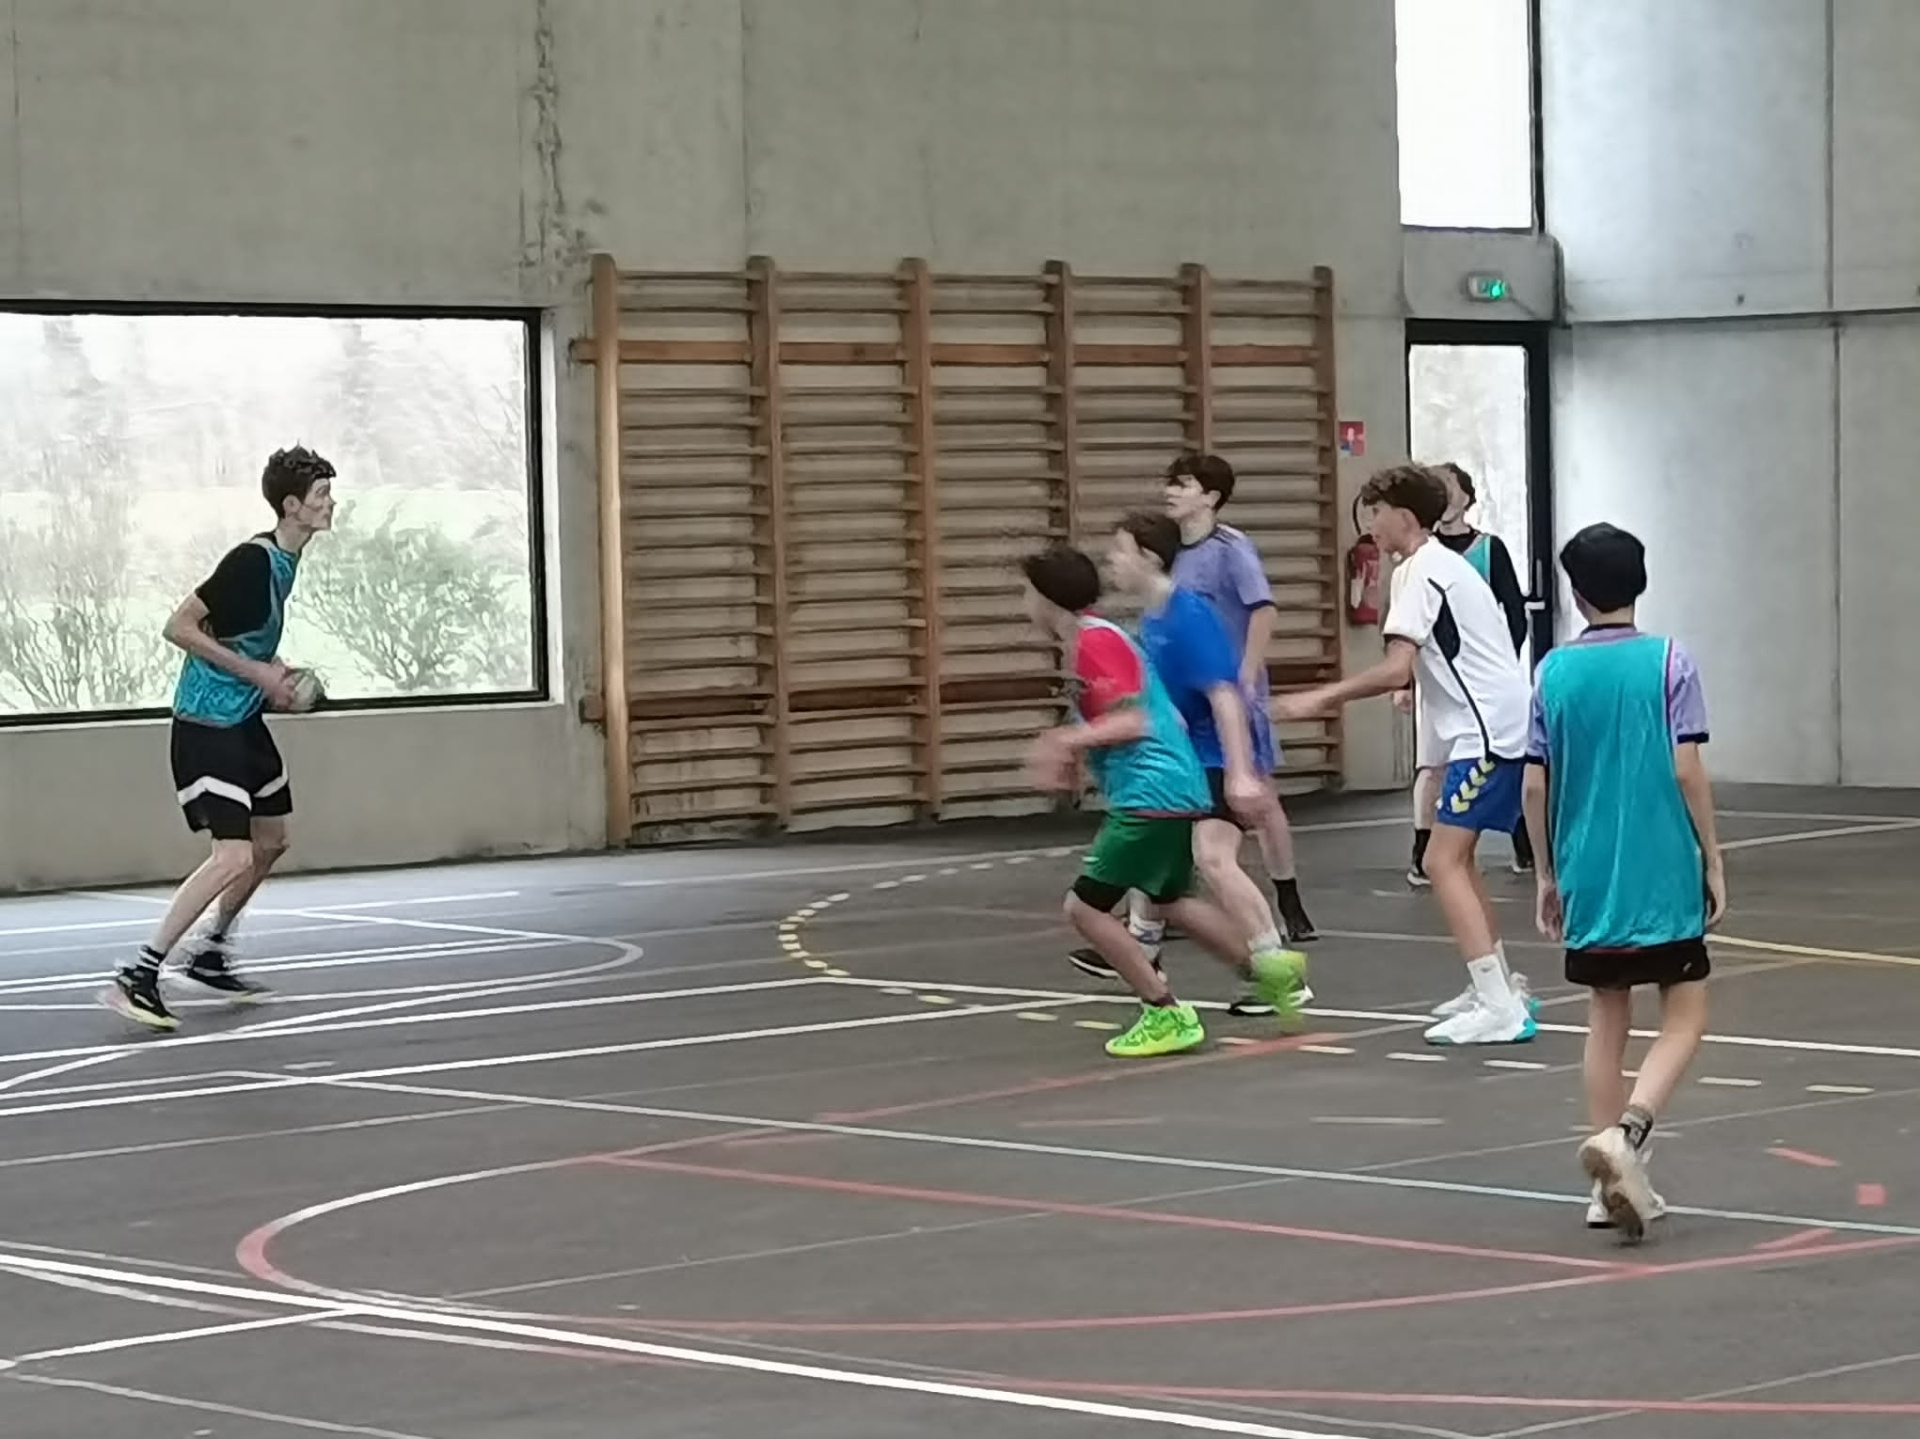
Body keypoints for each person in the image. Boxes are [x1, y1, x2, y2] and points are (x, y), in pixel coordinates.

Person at [1277, 464, 1535, 1045]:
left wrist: (1321, 697)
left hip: (1486, 732)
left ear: (1405, 516)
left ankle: (1500, 1007)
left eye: (1376, 511)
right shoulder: (1444, 565)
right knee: (1459, 860)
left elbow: (1397, 668)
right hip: (1494, 724)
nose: (1369, 523)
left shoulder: (1419, 571)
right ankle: (1497, 987)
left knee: (1442, 862)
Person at [1021, 543, 1304, 1058]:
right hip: (1174, 786)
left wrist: (1065, 741)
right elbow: (1163, 716)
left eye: (1027, 592)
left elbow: (1136, 721)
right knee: (1170, 901)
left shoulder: (1094, 641)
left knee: (1084, 909)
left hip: (1151, 793)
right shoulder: (1099, 640)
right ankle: (1268, 973)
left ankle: (1164, 1011)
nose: (1025, 603)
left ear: (1046, 597)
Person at [1523, 523, 1723, 1240]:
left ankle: (1603, 1185)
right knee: (1685, 1013)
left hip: (1588, 870)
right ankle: (1628, 1135)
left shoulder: (1552, 672)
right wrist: (1712, 856)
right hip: (1661, 867)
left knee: (1606, 1017)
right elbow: (1686, 769)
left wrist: (1546, 872)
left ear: (1576, 594)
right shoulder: (1670, 662)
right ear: (1640, 583)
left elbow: (1534, 785)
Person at [106, 446, 337, 1031]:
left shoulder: (286, 561)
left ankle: (209, 954)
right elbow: (179, 626)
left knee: (271, 840)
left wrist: (274, 670)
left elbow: (236, 635)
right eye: (320, 496)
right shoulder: (250, 561)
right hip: (206, 725)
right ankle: (139, 974)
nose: (331, 503)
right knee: (232, 855)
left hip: (242, 719)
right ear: (292, 506)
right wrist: (257, 674)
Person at [1077, 512, 1309, 1007]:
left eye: (1120, 550)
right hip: (1189, 759)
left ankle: (1279, 971)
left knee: (1213, 858)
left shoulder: (1188, 614)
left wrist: (1240, 772)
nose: (1111, 561)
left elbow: (1224, 695)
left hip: (1216, 754)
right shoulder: (1153, 618)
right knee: (1162, 866)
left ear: (1148, 557)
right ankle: (1144, 946)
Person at [1163, 452, 1316, 945]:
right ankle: (1160, 908)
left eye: (1183, 484)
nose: (1171, 491)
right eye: (1170, 483)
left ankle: (1289, 900)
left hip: (1230, 695)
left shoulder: (1232, 548)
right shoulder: (1168, 551)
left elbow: (1263, 610)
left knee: (1260, 799)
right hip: (1188, 701)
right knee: (1181, 797)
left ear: (1210, 496)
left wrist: (1247, 676)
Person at [1405, 462, 1533, 885]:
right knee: (1432, 766)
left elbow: (1514, 611)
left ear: (1466, 496)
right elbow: (1406, 630)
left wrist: (1503, 662)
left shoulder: (1487, 550)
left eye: (1450, 485)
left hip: (1482, 686)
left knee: (1506, 758)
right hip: (1441, 681)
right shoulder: (1420, 558)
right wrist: (1404, 681)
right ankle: (1424, 848)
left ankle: (1524, 842)